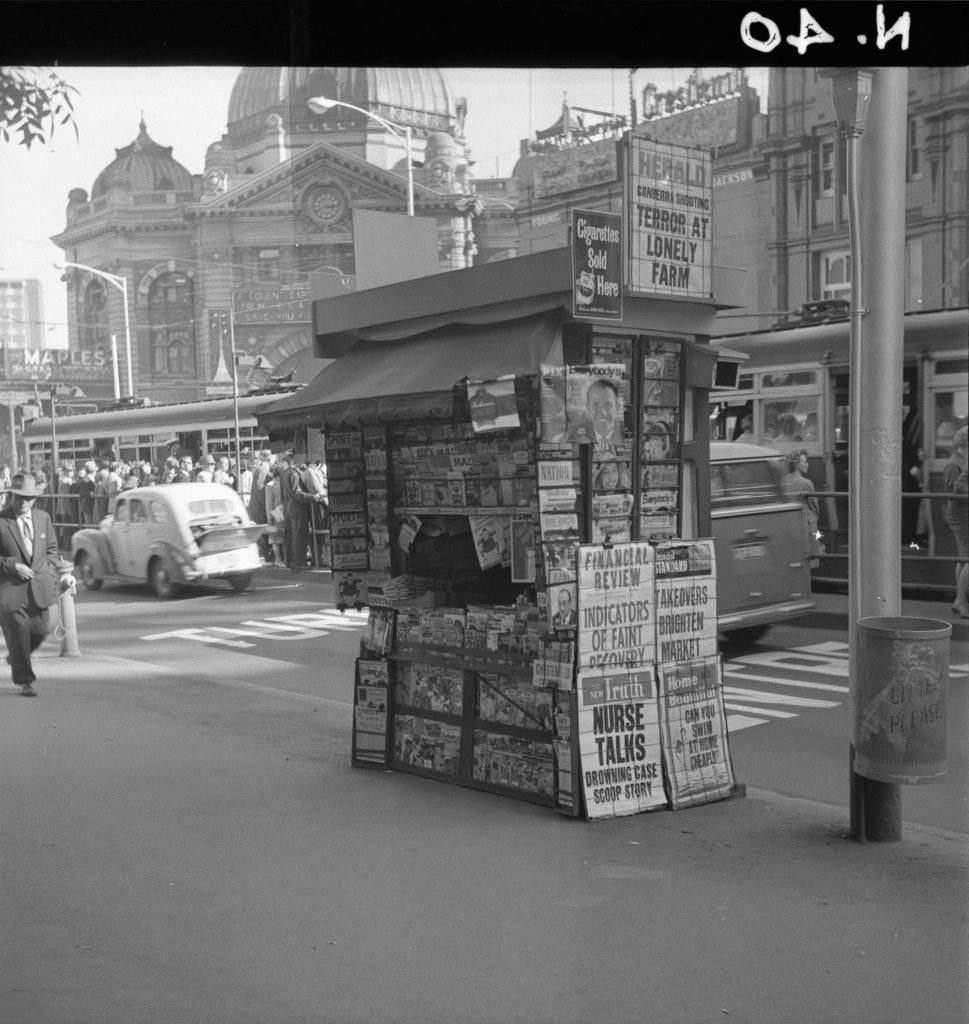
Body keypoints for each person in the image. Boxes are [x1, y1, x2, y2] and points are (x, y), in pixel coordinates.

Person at [0, 473, 72, 697]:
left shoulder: (43, 518)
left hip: (39, 586)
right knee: (19, 634)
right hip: (9, 590)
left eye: (28, 498)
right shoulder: (2, 520)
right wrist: (13, 567)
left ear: (35, 499)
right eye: (19, 497)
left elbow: (51, 549)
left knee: (42, 628)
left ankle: (17, 656)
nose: (23, 502)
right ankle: (25, 681)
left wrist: (48, 570)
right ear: (11, 496)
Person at [942, 425, 969, 618]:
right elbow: (953, 493)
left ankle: (960, 599)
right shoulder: (954, 464)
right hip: (961, 515)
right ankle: (960, 601)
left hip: (962, 514)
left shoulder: (961, 461)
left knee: (963, 558)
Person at [780, 449, 821, 567]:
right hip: (807, 524)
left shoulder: (783, 481)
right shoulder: (806, 483)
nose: (807, 464)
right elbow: (814, 506)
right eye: (804, 462)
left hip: (789, 523)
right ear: (797, 465)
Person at [585, 378, 625, 444]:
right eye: (596, 406)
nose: (603, 412)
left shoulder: (626, 433)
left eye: (608, 405)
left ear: (617, 408)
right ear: (588, 409)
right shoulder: (576, 434)